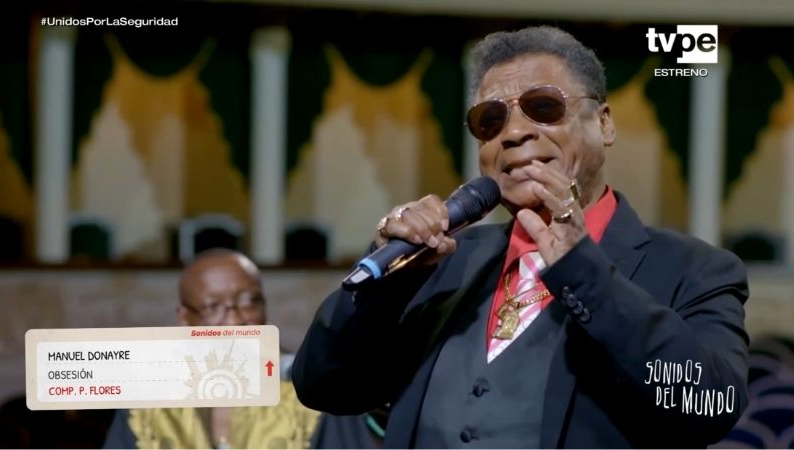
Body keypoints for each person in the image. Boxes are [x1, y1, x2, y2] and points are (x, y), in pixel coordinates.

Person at [291, 25, 750, 448]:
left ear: (604, 124)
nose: (513, 133)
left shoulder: (695, 270)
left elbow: (709, 406)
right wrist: (389, 282)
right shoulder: (444, 261)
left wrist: (585, 270)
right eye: (490, 122)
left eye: (544, 107)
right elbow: (323, 385)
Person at [103, 249, 320, 449]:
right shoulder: (147, 401)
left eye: (249, 302)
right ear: (185, 318)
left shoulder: (310, 391)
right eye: (213, 307)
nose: (234, 321)